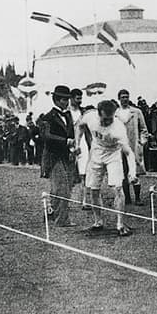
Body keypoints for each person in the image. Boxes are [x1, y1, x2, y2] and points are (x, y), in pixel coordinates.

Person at [76, 100, 137, 236]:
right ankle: (98, 222)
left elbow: (128, 152)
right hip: (96, 152)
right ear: (98, 114)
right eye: (104, 119)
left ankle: (120, 224)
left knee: (118, 187)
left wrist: (132, 173)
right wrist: (77, 143)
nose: (107, 122)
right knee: (93, 188)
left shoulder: (118, 128)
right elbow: (80, 126)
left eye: (110, 119)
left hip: (113, 155)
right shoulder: (90, 117)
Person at [42, 85, 77, 227]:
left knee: (67, 187)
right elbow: (46, 136)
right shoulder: (47, 117)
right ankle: (61, 219)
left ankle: (53, 213)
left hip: (66, 155)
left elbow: (72, 134)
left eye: (67, 99)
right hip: (53, 156)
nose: (66, 102)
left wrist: (73, 148)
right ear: (55, 100)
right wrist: (65, 141)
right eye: (63, 99)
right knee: (60, 188)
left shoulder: (68, 115)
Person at [116, 89, 148, 206]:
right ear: (119, 98)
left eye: (126, 97)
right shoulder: (115, 114)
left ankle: (138, 198)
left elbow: (144, 129)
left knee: (135, 172)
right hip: (120, 147)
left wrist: (141, 142)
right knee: (123, 172)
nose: (125, 99)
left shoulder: (136, 112)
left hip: (133, 146)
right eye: (123, 97)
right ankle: (127, 198)